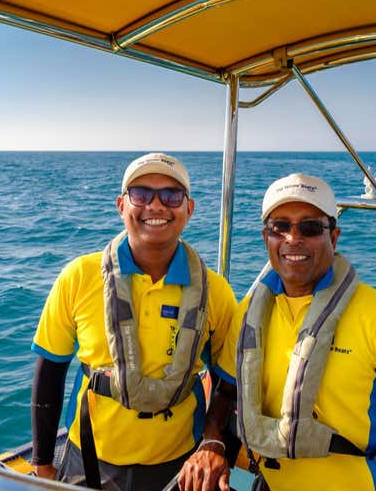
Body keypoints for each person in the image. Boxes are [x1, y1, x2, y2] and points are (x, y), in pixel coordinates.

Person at [179, 173, 376, 491]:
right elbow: (226, 391)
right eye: (280, 227)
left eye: (310, 227)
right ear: (266, 237)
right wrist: (213, 442)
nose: (293, 238)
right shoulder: (249, 313)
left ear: (334, 237)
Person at [30, 152, 237, 490]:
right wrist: (42, 463)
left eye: (171, 196)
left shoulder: (215, 291)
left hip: (179, 462)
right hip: (89, 456)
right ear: (121, 205)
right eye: (141, 194)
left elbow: (227, 382)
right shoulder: (78, 276)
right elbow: (50, 370)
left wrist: (214, 445)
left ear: (189, 208)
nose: (155, 206)